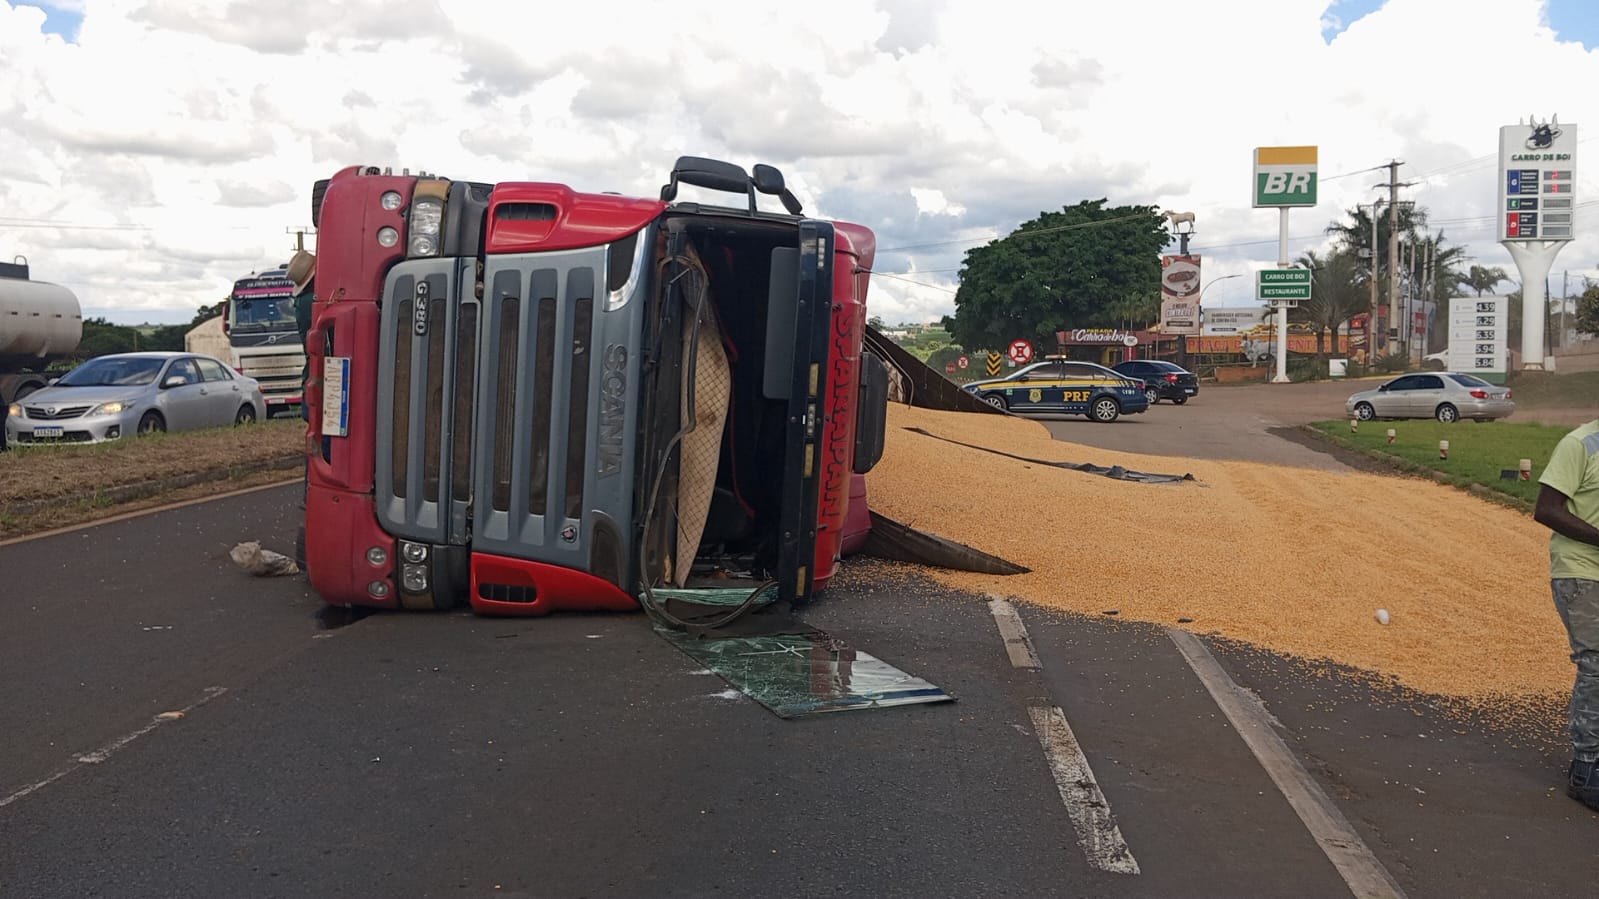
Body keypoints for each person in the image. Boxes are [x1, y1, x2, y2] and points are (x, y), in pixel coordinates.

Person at [1533, 417, 1599, 811]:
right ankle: (1587, 769)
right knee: (1597, 664)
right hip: (1581, 572)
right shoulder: (1580, 444)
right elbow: (1547, 509)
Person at [286, 249, 316, 511]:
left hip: (309, 381)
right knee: (322, 442)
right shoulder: (312, 303)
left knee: (314, 438)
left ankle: (311, 495)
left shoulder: (301, 303)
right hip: (319, 379)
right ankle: (314, 495)